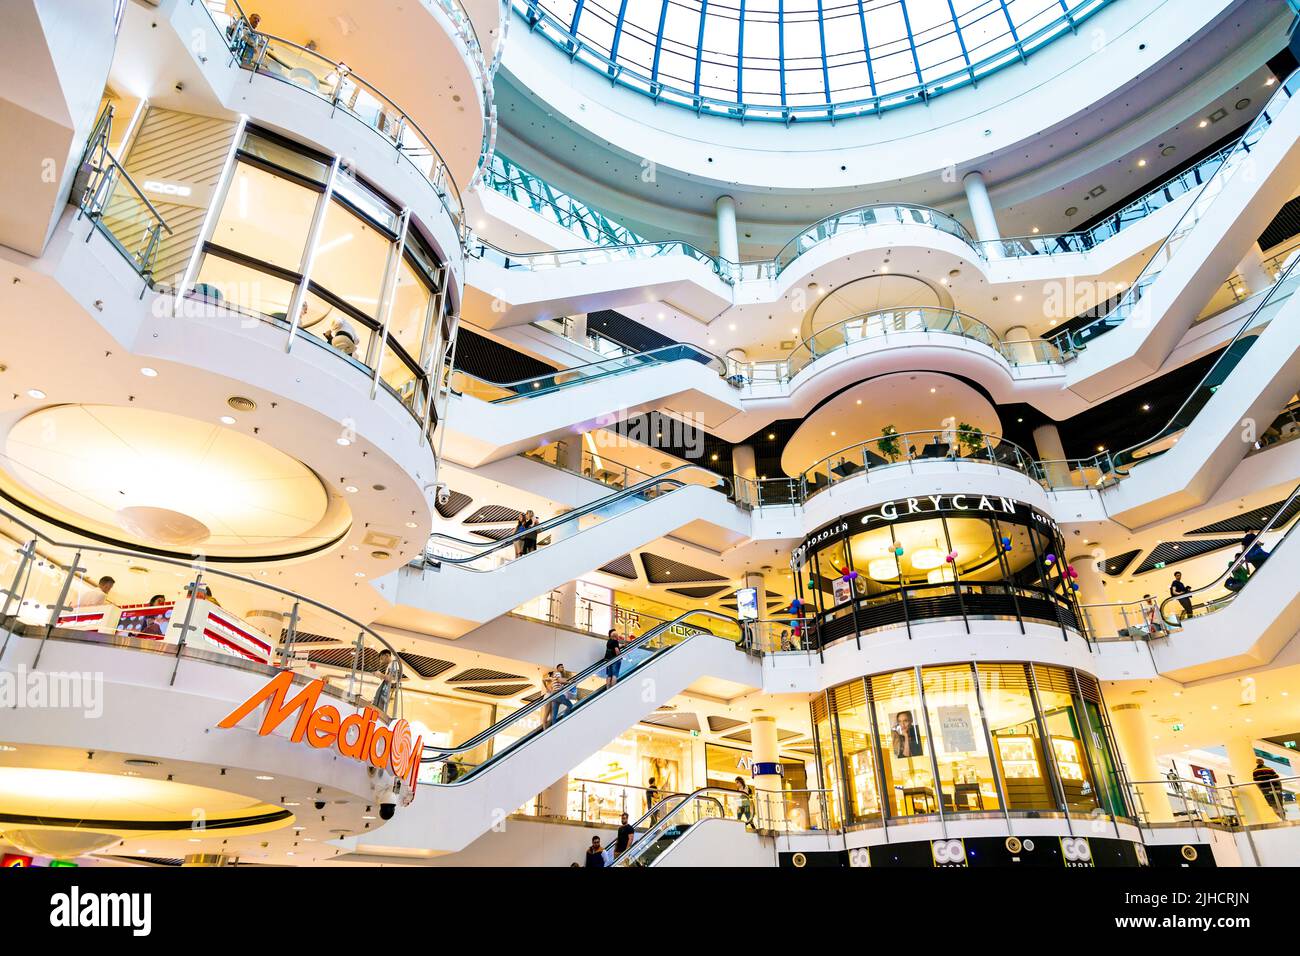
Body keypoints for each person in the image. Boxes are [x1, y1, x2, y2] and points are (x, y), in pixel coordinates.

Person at [371, 648, 402, 713]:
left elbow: (391, 678)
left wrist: (380, 674)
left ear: (387, 655)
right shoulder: (391, 665)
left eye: (382, 658)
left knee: (378, 711)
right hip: (383, 693)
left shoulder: (394, 664)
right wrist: (380, 676)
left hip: (383, 694)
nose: (381, 661)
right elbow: (388, 679)